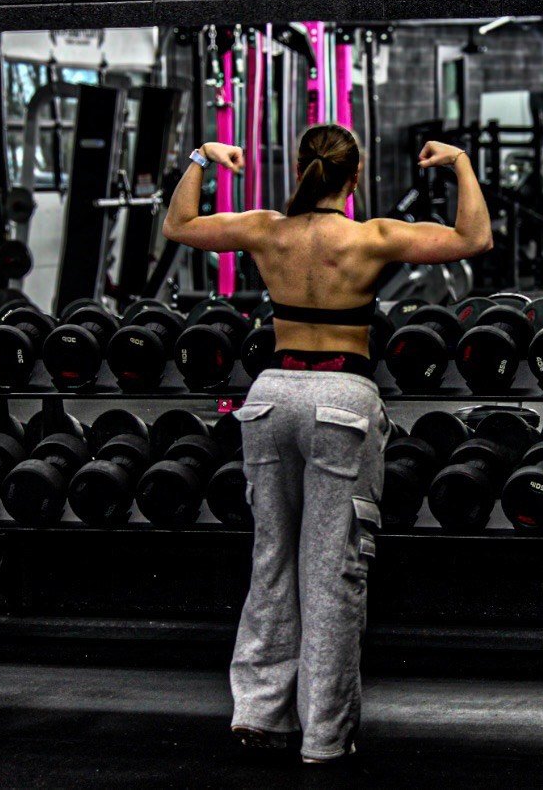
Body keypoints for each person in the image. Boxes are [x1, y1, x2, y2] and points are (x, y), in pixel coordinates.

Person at [161, 125, 492, 763]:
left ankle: (257, 715)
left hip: (269, 398)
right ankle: (322, 737)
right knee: (332, 574)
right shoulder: (371, 237)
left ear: (300, 170)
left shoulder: (266, 229)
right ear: (355, 175)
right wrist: (461, 164)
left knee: (272, 562)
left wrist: (203, 158)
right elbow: (473, 238)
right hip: (339, 401)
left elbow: (179, 225)